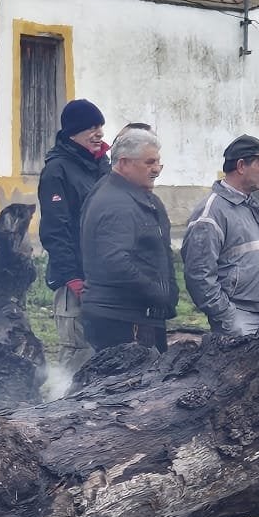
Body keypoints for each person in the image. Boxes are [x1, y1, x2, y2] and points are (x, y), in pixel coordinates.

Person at [76, 127, 176, 351]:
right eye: (149, 163)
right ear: (124, 163)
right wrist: (156, 292)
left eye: (158, 163)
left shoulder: (139, 197)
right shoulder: (115, 203)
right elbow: (115, 261)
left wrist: (168, 291)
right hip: (121, 320)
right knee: (129, 386)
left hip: (138, 316)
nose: (156, 170)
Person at [181, 135, 259, 339]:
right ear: (241, 166)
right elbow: (199, 275)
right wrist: (226, 315)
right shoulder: (212, 212)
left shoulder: (252, 206)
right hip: (238, 318)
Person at [37, 98, 109, 371]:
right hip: (74, 280)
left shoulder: (103, 165)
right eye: (91, 127)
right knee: (78, 351)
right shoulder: (57, 170)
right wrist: (72, 278)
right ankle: (66, 407)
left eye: (100, 126)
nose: (99, 133)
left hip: (104, 278)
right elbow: (56, 231)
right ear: (72, 132)